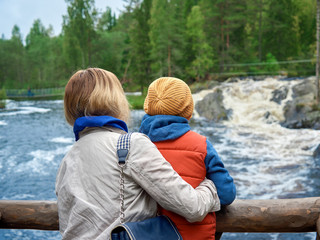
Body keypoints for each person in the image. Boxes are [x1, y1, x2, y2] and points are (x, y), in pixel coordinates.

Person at [55, 68, 221, 240]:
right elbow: (192, 207)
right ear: (116, 100)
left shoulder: (67, 160)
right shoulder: (129, 145)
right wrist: (210, 186)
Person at [139, 77, 236, 240]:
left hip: (146, 234)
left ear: (148, 108)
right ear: (188, 112)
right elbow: (227, 194)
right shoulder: (201, 145)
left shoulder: (134, 145)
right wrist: (208, 186)